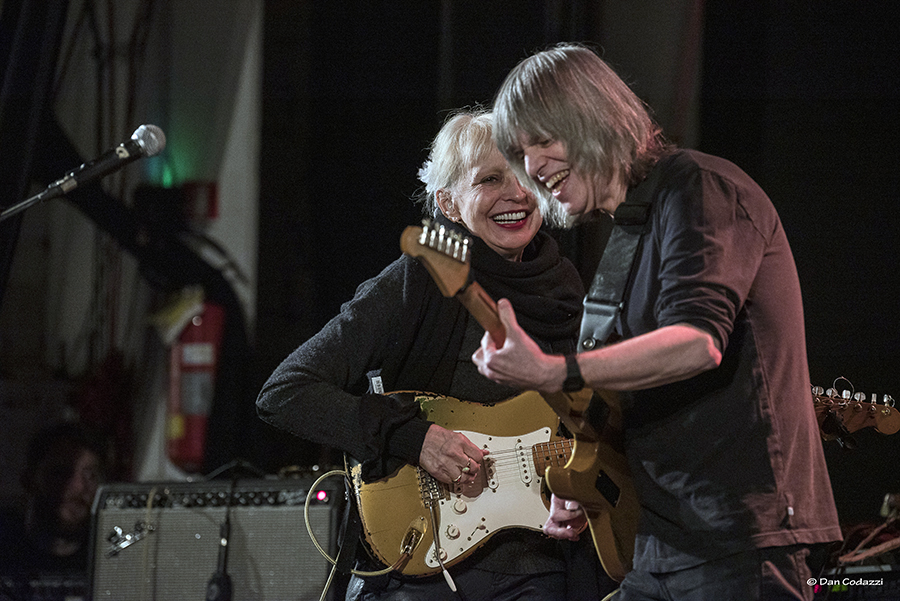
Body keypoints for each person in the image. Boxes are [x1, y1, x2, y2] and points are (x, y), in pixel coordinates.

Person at [472, 43, 843, 601]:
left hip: (742, 539)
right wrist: (588, 482)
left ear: (592, 116)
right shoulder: (626, 234)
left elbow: (697, 343)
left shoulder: (699, 187)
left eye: (543, 141)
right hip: (661, 544)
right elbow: (633, 401)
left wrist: (553, 370)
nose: (531, 168)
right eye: (521, 152)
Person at [256, 108, 613, 600]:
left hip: (539, 571)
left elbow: (583, 431)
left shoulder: (566, 291)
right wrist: (412, 437)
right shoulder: (419, 279)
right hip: (422, 571)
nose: (516, 194)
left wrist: (581, 489)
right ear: (448, 202)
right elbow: (285, 391)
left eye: (525, 175)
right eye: (490, 179)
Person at [0, 421, 108, 599]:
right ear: (29, 479)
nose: (79, 487)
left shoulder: (112, 555)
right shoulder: (5, 543)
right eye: (61, 473)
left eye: (90, 476)